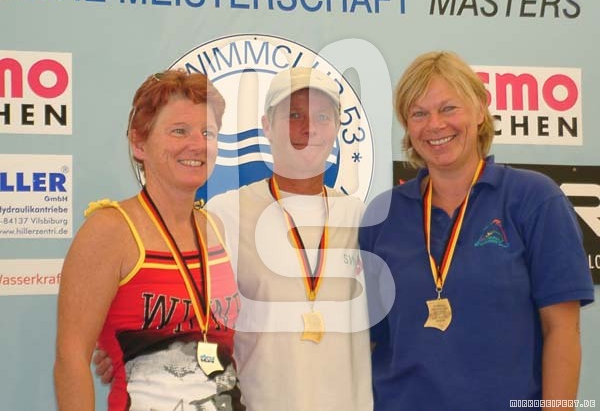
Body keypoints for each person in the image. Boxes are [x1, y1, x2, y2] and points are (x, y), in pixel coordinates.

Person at [94, 67, 374, 410]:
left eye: (322, 116)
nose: (309, 127)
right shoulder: (225, 214)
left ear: (336, 128)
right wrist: (134, 351)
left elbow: (393, 325)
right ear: (266, 126)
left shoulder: (363, 218)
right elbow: (183, 315)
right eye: (294, 115)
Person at [359, 51, 595, 411]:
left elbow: (562, 330)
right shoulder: (383, 215)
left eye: (448, 108)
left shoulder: (534, 199)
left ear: (480, 109)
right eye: (419, 113)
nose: (435, 124)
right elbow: (369, 341)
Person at [54, 70, 245, 411]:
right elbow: (71, 359)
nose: (197, 144)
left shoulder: (214, 226)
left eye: (208, 132)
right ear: (139, 143)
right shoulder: (110, 230)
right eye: (179, 131)